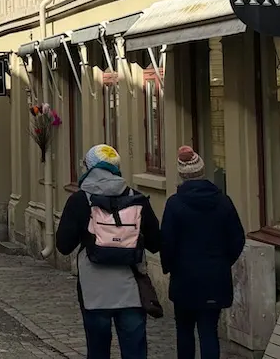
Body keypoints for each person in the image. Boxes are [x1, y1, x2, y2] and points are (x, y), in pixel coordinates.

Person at [56, 144, 162, 359]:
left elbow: (63, 245)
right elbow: (155, 243)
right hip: (131, 288)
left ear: (88, 168)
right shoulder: (137, 198)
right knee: (135, 352)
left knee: (97, 351)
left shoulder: (79, 200)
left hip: (94, 290)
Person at [161, 146, 245, 359]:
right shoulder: (223, 202)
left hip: (185, 277)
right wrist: (224, 261)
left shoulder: (175, 204)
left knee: (185, 330)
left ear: (182, 175)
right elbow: (237, 238)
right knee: (209, 331)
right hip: (215, 276)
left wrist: (170, 266)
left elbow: (167, 242)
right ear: (202, 171)